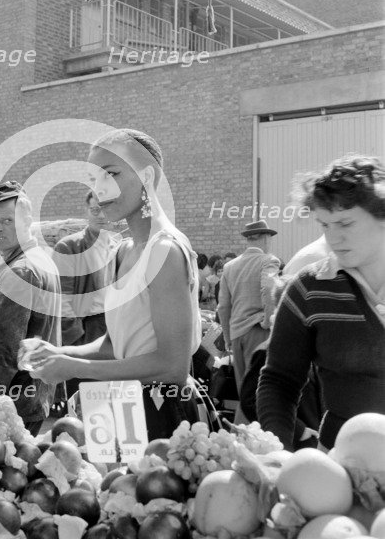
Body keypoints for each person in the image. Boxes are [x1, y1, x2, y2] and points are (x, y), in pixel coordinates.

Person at [27, 128, 202, 440]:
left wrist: (72, 367)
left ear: (147, 177)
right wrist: (58, 353)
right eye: (95, 179)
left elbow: (172, 367)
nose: (99, 190)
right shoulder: (123, 250)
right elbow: (113, 346)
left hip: (163, 416)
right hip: (123, 408)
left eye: (111, 174)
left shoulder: (164, 250)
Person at [258, 155, 385, 451]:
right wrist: (277, 452)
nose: (333, 238)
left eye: (345, 223)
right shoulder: (309, 289)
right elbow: (279, 381)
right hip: (338, 467)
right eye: (325, 225)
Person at [0, 181, 61, 436]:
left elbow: (4, 350)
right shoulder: (40, 260)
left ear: (26, 221)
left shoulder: (21, 270)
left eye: (8, 221)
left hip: (12, 406)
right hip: (32, 397)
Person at [52, 191, 121, 399]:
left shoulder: (119, 245)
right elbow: (61, 298)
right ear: (87, 211)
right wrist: (76, 336)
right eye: (95, 209)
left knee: (115, 399)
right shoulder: (70, 246)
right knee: (86, 399)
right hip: (88, 328)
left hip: (115, 328)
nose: (101, 215)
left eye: (105, 209)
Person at [217, 220, 280, 423]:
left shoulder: (229, 267)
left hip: (236, 335)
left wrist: (227, 337)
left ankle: (241, 441)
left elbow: (223, 307)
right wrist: (269, 323)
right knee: (261, 394)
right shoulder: (268, 260)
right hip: (258, 332)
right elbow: (269, 289)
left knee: (244, 393)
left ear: (248, 239)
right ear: (265, 238)